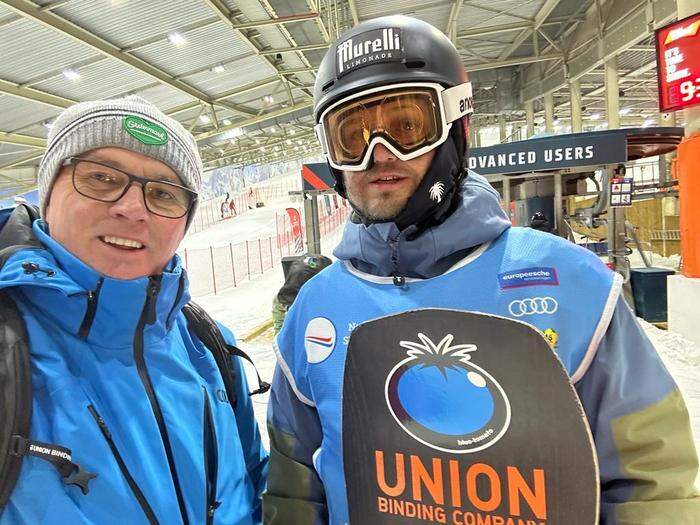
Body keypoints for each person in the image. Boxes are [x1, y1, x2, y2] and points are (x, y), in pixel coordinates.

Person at [263, 15, 700, 524]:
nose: (377, 156)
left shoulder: (571, 284)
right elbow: (294, 486)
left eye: (407, 127)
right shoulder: (316, 307)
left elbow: (653, 480)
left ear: (456, 125)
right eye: (351, 137)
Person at [0, 96, 267, 524]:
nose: (131, 209)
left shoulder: (207, 342)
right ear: (48, 195)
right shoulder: (9, 346)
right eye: (101, 178)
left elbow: (253, 486)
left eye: (163, 193)